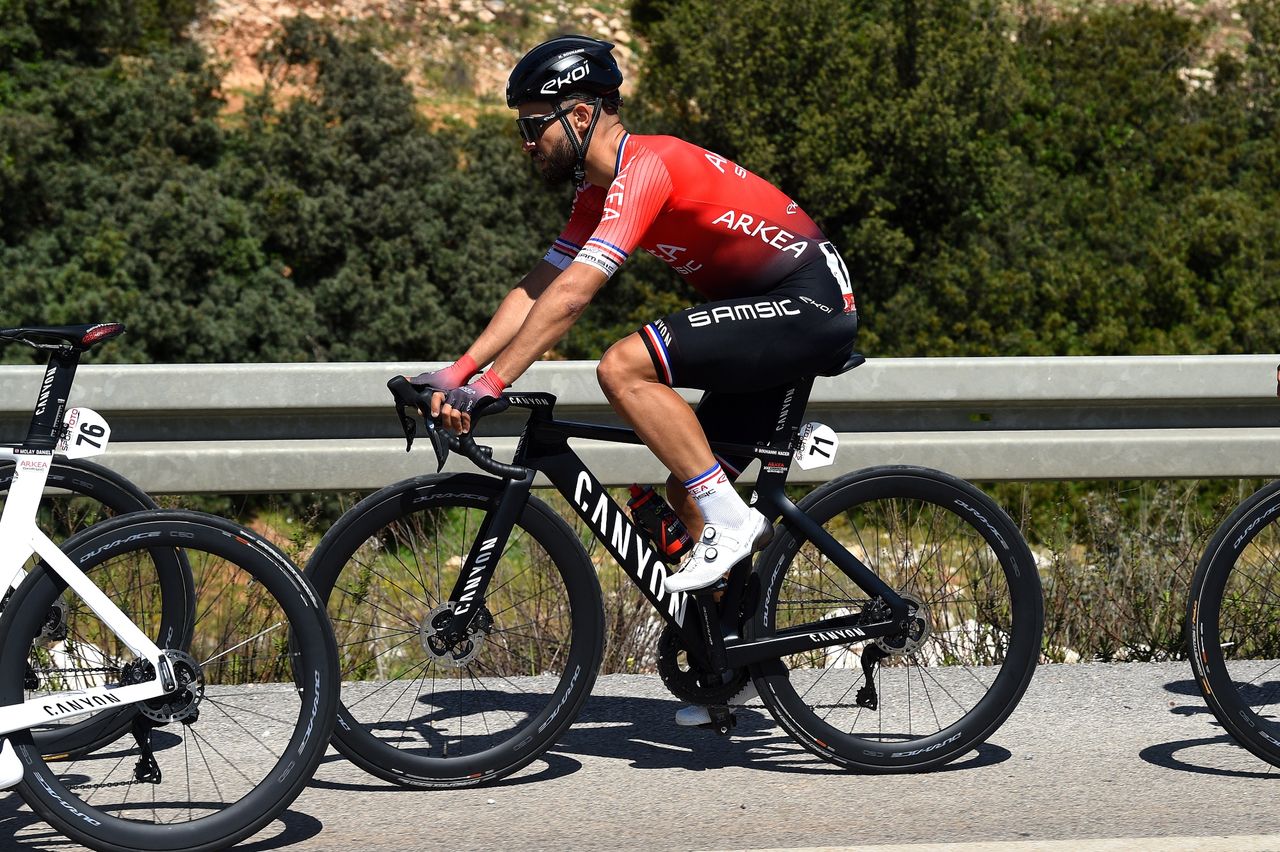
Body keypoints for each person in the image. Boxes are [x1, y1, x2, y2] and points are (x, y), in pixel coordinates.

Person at [418, 35, 858, 724]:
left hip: (808, 304)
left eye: (535, 125)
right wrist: (460, 370)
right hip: (770, 314)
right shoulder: (596, 196)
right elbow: (538, 288)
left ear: (582, 115)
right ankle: (738, 664)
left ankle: (733, 518)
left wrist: (497, 383)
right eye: (521, 128)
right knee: (689, 491)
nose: (526, 142)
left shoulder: (646, 166)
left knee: (622, 365)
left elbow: (573, 300)